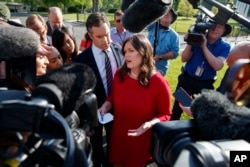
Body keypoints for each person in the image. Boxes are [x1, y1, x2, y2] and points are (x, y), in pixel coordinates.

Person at [98, 34, 172, 166]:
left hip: (140, 138)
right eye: (125, 51)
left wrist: (149, 124)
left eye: (131, 51)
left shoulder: (159, 82)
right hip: (119, 134)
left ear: (144, 52)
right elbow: (112, 97)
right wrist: (106, 105)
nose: (126, 55)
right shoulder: (120, 73)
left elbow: (165, 114)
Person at [73, 12, 124, 167]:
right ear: (90, 35)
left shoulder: (119, 49)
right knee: (96, 150)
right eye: (99, 37)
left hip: (118, 108)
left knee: (115, 146)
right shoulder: (81, 60)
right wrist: (84, 121)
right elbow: (78, 93)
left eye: (107, 35)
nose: (106, 40)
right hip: (93, 113)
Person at [171, 20, 232, 120]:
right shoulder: (197, 37)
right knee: (177, 109)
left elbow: (217, 66)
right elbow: (184, 59)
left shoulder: (225, 46)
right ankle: (170, 130)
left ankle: (195, 134)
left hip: (204, 85)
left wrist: (204, 46)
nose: (215, 29)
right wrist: (191, 41)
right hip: (186, 80)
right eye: (213, 25)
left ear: (224, 31)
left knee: (199, 113)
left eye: (220, 27)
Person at [180, 41, 250, 118]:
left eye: (234, 66)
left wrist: (201, 113)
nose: (227, 65)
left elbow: (238, 119)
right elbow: (221, 92)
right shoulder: (232, 70)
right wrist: (204, 102)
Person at [147, 8, 180, 76]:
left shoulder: (174, 35)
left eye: (170, 13)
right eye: (165, 12)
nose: (167, 13)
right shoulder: (152, 26)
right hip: (145, 63)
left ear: (172, 19)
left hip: (160, 68)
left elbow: (175, 52)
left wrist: (159, 57)